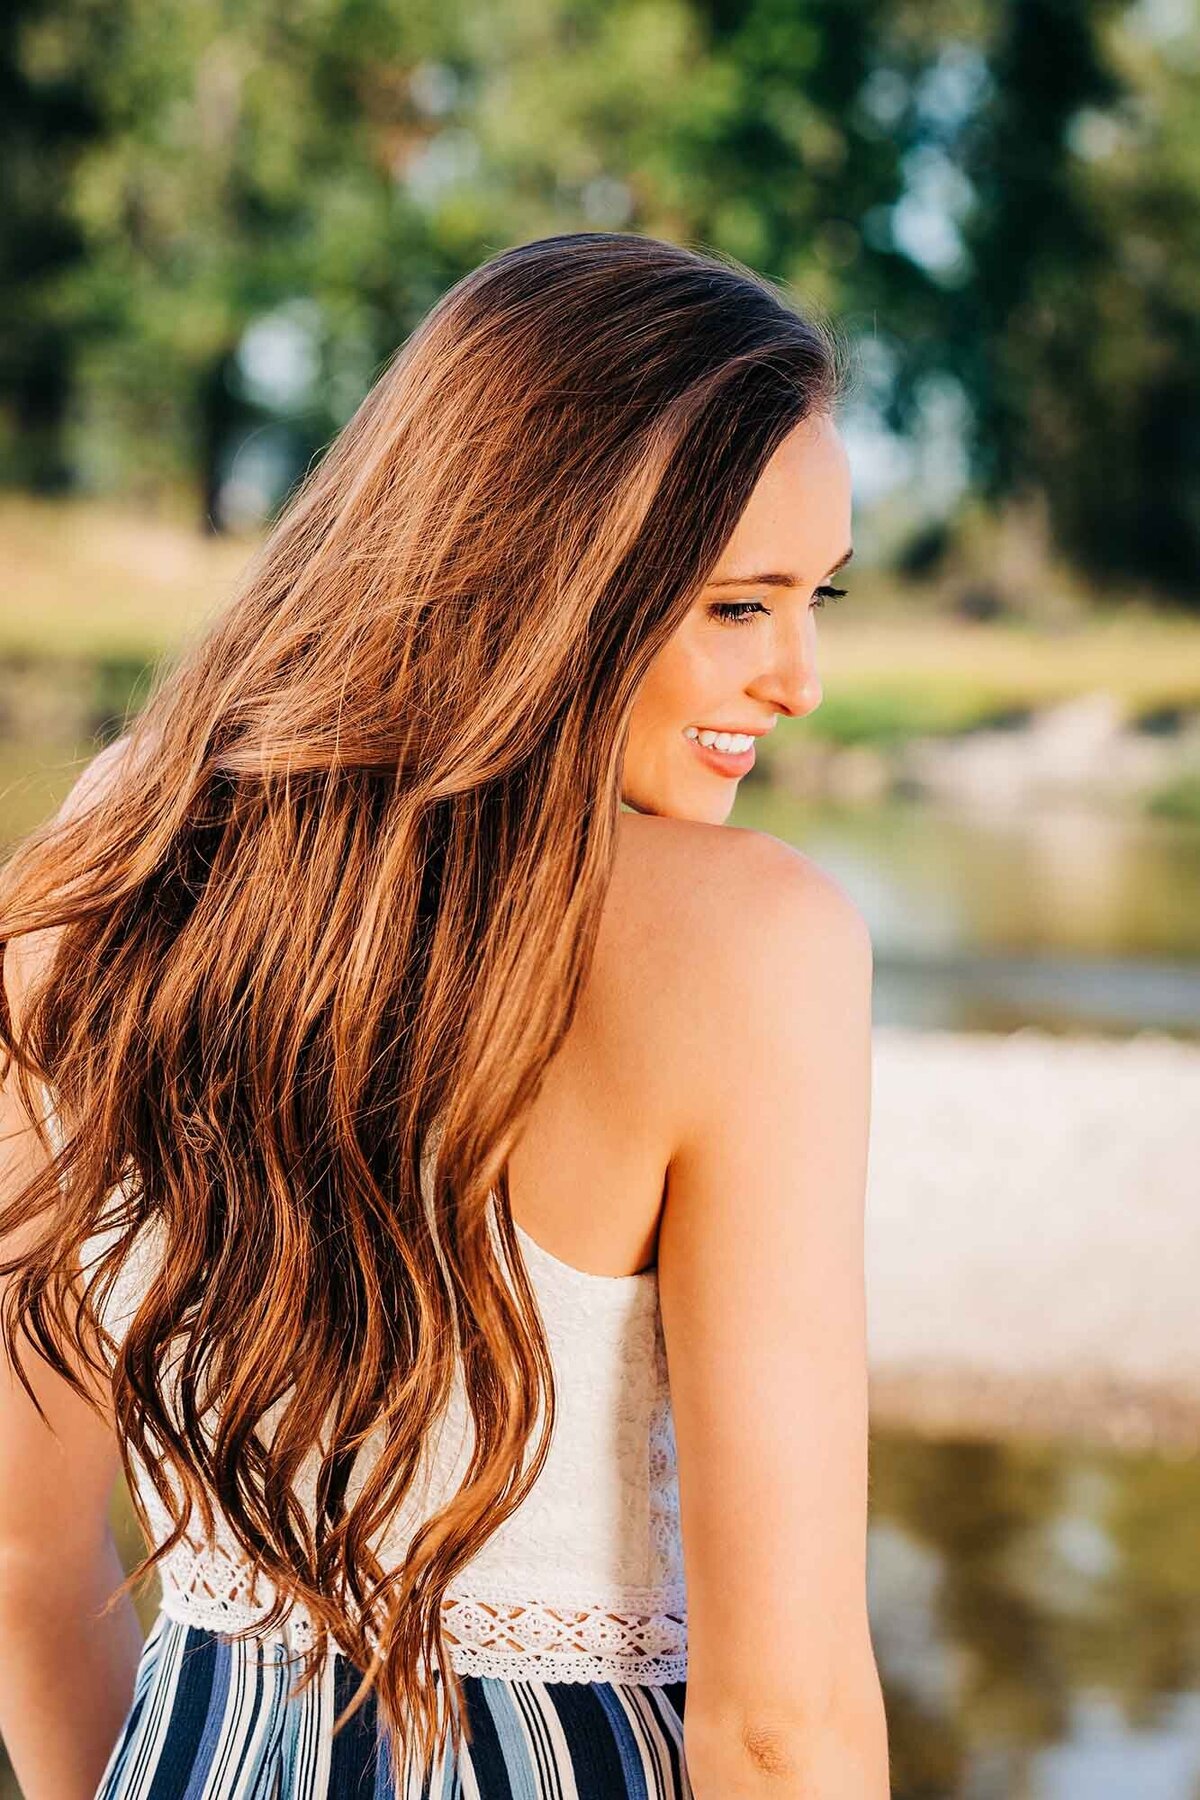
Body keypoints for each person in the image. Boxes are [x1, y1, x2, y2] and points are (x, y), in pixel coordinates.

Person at [0, 232, 889, 1799]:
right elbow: (784, 1716)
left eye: (817, 597)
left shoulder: (113, 852)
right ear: (554, 571)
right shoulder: (755, 940)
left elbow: (21, 1539)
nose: (802, 677)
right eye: (741, 608)